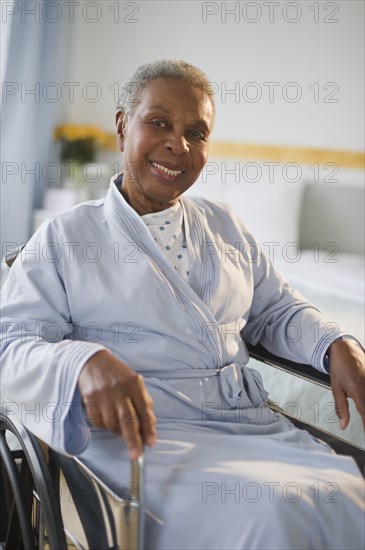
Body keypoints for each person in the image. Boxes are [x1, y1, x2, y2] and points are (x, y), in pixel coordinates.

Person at [1, 59, 364, 550]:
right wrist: (81, 361)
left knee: (346, 493)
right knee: (271, 516)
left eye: (197, 132)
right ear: (123, 124)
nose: (179, 144)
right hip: (143, 440)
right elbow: (10, 345)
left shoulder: (225, 224)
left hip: (249, 428)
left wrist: (333, 341)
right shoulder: (66, 236)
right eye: (159, 123)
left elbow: (277, 309)